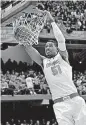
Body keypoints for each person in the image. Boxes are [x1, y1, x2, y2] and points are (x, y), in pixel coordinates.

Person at [18, 3, 86, 125]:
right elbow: (30, 51)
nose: (47, 48)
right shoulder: (43, 62)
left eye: (50, 46)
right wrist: (24, 40)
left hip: (75, 101)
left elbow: (61, 39)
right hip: (59, 105)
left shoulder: (63, 57)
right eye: (46, 46)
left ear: (56, 49)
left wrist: (52, 22)